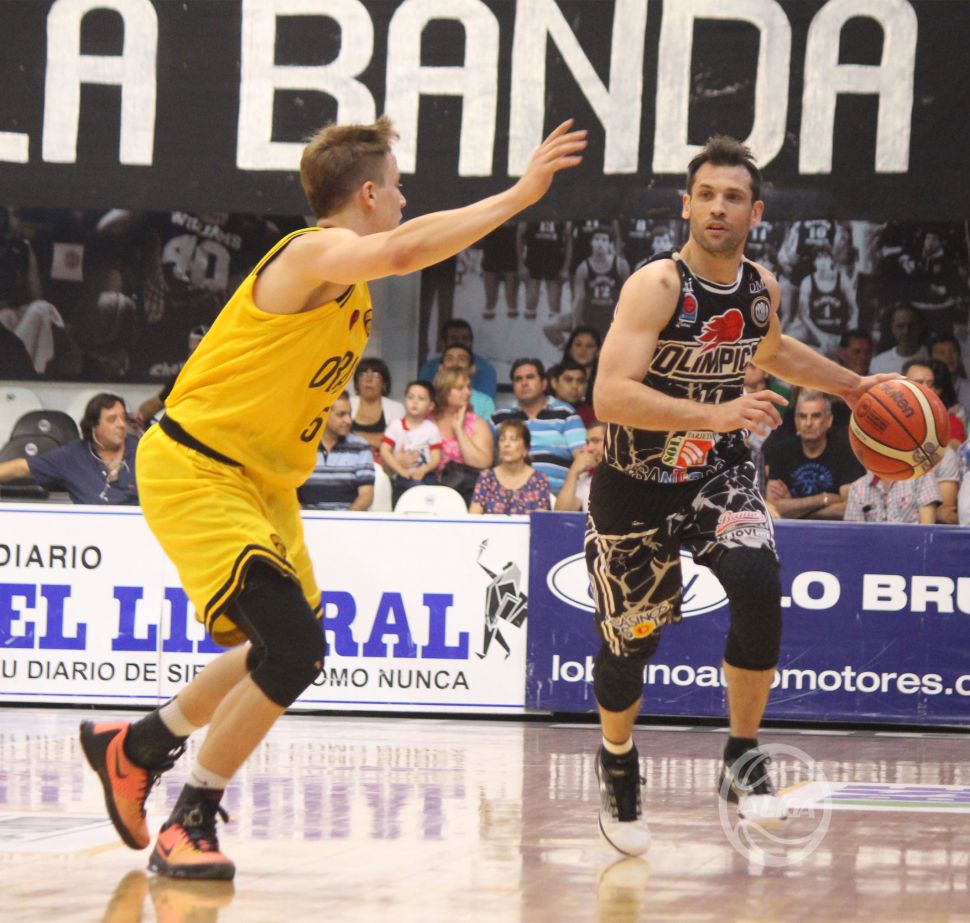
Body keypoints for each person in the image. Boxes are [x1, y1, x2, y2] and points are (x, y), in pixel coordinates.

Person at [78, 114, 586, 880]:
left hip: (262, 483)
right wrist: (519, 195)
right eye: (399, 187)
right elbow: (407, 250)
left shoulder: (348, 286)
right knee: (294, 648)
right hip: (198, 466)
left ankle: (138, 745)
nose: (406, 200)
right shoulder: (311, 252)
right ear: (370, 194)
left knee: (280, 649)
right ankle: (190, 818)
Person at [585, 135, 894, 856]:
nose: (718, 207)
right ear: (686, 205)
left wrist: (852, 385)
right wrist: (718, 412)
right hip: (634, 484)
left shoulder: (761, 287)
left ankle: (742, 758)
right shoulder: (657, 286)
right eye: (706, 195)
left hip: (716, 471)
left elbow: (770, 348)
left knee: (757, 579)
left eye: (733, 197)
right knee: (631, 644)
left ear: (755, 213)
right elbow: (610, 395)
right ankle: (618, 756)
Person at [0, 392, 137, 504]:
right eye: (112, 419)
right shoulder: (73, 456)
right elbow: (21, 467)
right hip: (88, 526)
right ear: (94, 426)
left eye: (124, 418)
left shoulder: (141, 449)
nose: (121, 425)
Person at [490, 358, 586, 495]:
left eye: (530, 377)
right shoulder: (499, 417)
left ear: (544, 383)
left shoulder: (566, 414)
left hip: (555, 495)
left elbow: (583, 457)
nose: (524, 383)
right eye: (518, 379)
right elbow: (484, 458)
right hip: (508, 494)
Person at [764, 390, 863, 519]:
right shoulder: (780, 451)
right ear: (796, 421)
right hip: (791, 530)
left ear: (829, 420)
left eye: (816, 416)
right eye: (802, 416)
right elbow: (774, 508)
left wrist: (796, 510)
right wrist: (824, 499)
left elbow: (849, 508)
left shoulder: (845, 451)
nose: (808, 423)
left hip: (833, 530)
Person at [297, 391, 375, 511]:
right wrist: (305, 519)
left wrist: (344, 520)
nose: (348, 420)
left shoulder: (360, 447)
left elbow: (366, 496)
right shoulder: (300, 446)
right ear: (324, 414)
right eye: (341, 414)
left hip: (348, 519)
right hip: (306, 520)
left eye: (349, 414)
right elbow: (289, 491)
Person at [431, 366, 494, 504]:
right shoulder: (426, 420)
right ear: (444, 390)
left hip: (465, 493)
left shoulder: (477, 423)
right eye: (460, 388)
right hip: (429, 491)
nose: (467, 392)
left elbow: (483, 463)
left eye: (468, 387)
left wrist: (459, 430)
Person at [380, 380, 442, 505]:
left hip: (426, 476)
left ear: (430, 406)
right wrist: (400, 470)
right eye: (410, 397)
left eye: (421, 398)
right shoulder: (396, 425)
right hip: (402, 475)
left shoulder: (431, 428)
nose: (415, 402)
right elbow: (384, 450)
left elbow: (436, 458)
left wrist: (423, 470)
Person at [469, 419, 551, 514]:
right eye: (502, 440)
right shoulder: (487, 478)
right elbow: (473, 517)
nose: (506, 444)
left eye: (513, 439)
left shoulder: (539, 480)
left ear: (526, 449)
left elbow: (541, 520)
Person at [136, 325, 208, 427]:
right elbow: (155, 405)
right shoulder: (183, 377)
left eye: (197, 350)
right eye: (192, 351)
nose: (193, 355)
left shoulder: (219, 376)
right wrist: (139, 418)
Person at [419, 317, 498, 397]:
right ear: (443, 343)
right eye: (454, 338)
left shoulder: (486, 369)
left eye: (465, 339)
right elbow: (424, 399)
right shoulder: (428, 369)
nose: (460, 342)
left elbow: (484, 401)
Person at [348, 356, 405, 461]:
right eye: (363, 374)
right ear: (357, 383)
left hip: (385, 465)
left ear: (384, 383)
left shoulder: (397, 408)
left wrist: (353, 435)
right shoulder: (347, 403)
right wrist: (378, 439)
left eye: (375, 375)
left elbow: (395, 444)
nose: (368, 379)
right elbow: (337, 438)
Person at [903, 359, 966, 449]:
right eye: (918, 383)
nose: (926, 388)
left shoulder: (951, 424)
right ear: (902, 385)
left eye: (930, 384)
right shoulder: (887, 417)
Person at [844, 469, 940, 524]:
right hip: (872, 552)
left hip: (913, 550)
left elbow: (927, 534)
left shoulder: (922, 475)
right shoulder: (857, 487)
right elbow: (854, 539)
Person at [555, 420, 606, 512]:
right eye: (587, 442)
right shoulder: (586, 477)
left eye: (596, 441)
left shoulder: (630, 474)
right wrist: (573, 473)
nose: (589, 448)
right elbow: (561, 514)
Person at [439, 342, 495, 419]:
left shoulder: (485, 402)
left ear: (472, 369)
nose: (455, 364)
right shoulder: (429, 396)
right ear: (440, 368)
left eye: (462, 359)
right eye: (449, 359)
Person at [870, 304, 927, 373]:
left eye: (911, 326)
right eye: (900, 326)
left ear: (920, 327)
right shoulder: (878, 363)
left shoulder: (931, 357)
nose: (906, 332)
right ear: (892, 328)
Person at [928, 333, 970, 418]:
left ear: (959, 355)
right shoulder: (926, 388)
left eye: (952, 351)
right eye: (941, 352)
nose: (948, 356)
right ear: (931, 358)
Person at [549, 358, 594, 426]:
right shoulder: (541, 410)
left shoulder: (590, 414)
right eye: (568, 380)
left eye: (580, 381)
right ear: (554, 383)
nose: (575, 386)